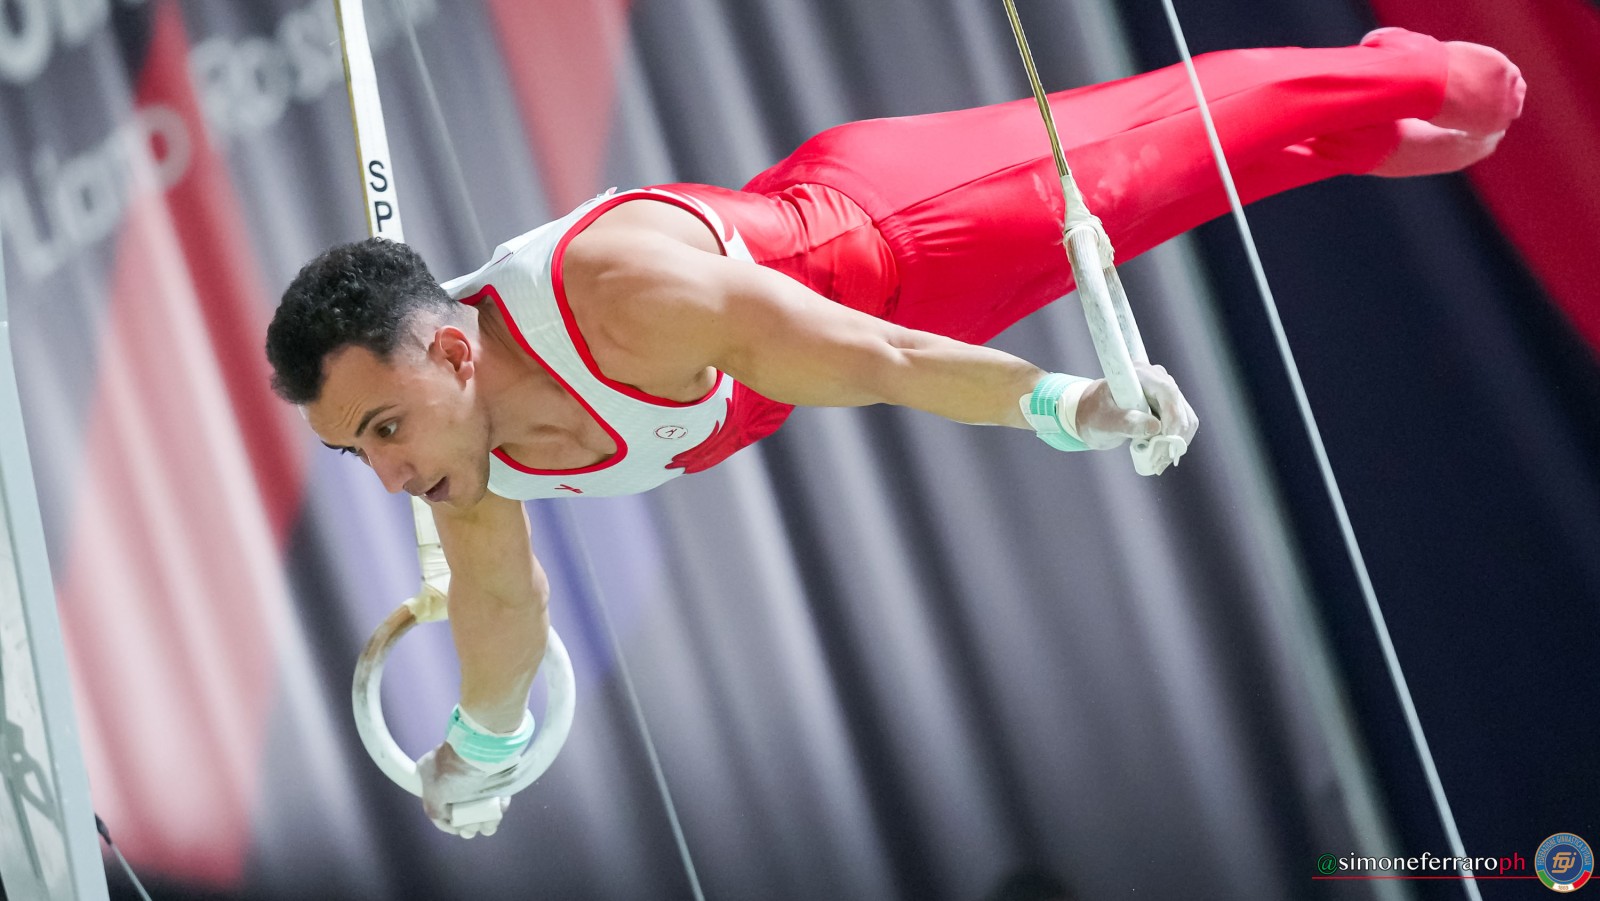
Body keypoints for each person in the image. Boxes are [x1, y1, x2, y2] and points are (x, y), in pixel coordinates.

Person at [264, 28, 1523, 836]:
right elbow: (502, 607)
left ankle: (1395, 71)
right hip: (866, 320)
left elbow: (879, 360)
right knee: (1188, 190)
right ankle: (1347, 137)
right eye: (354, 451)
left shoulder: (620, 297)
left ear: (452, 351)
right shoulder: (457, 455)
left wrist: (1066, 406)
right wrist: (475, 751)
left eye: (382, 428)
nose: (387, 472)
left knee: (1168, 143)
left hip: (906, 231)